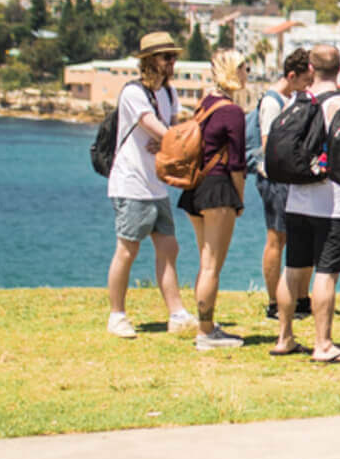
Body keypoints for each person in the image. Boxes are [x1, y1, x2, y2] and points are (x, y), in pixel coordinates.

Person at [104, 31, 196, 339]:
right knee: (127, 249)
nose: (173, 62)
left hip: (156, 185)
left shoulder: (168, 94)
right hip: (131, 184)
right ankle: (117, 315)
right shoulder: (133, 94)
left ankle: (177, 312)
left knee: (169, 248)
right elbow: (160, 130)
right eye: (167, 57)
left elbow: (170, 132)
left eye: (174, 57)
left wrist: (168, 140)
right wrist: (170, 139)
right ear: (149, 61)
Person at [273, 45, 340, 363]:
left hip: (297, 199)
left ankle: (285, 337)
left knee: (293, 270)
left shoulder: (298, 100)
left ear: (310, 67)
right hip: (331, 202)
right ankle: (322, 344)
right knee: (325, 273)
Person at [176, 49, 250, 351]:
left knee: (204, 260)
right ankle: (206, 333)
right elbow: (236, 163)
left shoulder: (205, 104)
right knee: (212, 266)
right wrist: (240, 198)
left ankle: (205, 322)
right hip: (219, 189)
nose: (247, 73)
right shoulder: (232, 112)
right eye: (244, 68)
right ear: (233, 71)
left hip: (196, 188)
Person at [255, 49, 313, 321]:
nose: (307, 87)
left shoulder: (292, 99)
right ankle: (273, 300)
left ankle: (300, 297)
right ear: (292, 76)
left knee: (299, 237)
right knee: (276, 238)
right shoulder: (272, 102)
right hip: (275, 179)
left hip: (292, 179)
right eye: (304, 80)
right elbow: (270, 146)